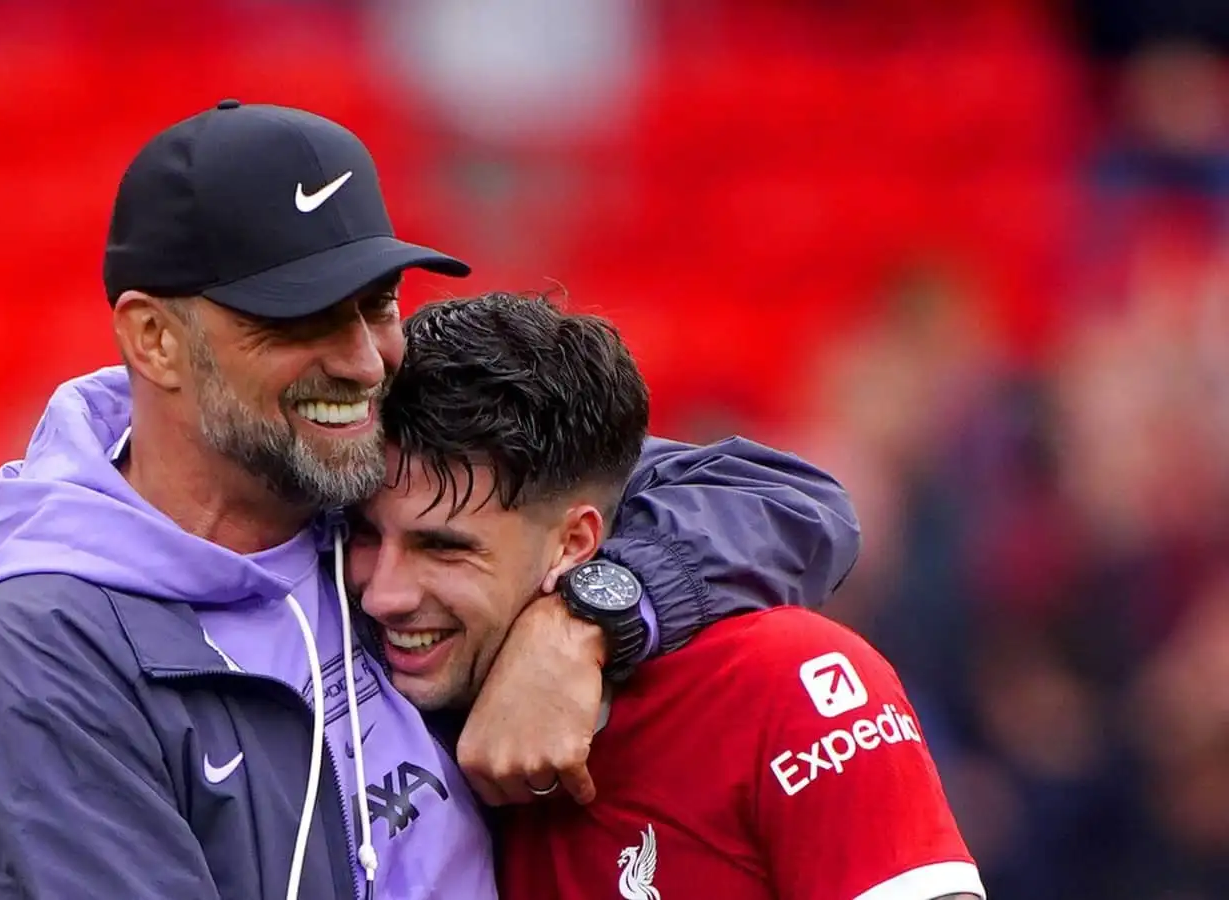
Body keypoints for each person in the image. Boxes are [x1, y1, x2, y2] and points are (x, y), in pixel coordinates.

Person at [0, 102, 861, 900]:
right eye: (301, 319)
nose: (365, 363)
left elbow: (784, 498)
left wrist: (584, 621)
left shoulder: (367, 482)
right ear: (155, 341)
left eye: (376, 305)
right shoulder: (41, 653)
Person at [350, 292, 984, 900]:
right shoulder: (326, 669)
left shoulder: (786, 684)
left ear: (575, 542)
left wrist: (578, 619)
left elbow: (793, 498)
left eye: (445, 549)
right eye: (363, 535)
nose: (383, 594)